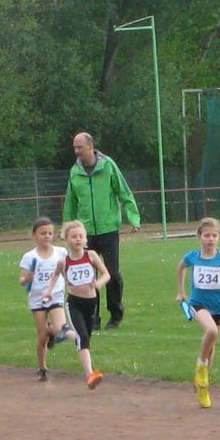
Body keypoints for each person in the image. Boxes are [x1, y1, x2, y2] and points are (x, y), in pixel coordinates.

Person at [64, 132, 140, 330]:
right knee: (87, 275)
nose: (76, 151)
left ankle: (115, 314)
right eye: (74, 147)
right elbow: (70, 201)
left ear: (90, 147)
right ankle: (92, 318)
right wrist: (68, 228)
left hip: (108, 229)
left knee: (112, 274)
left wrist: (134, 218)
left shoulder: (108, 165)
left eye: (79, 147)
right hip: (85, 232)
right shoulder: (75, 171)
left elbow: (123, 191)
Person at [176, 218, 220, 409]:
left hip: (217, 308)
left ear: (219, 237)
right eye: (207, 235)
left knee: (211, 347)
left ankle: (203, 386)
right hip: (197, 304)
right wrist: (181, 291)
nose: (210, 239)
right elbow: (181, 267)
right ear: (199, 237)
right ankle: (200, 366)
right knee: (211, 331)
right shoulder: (193, 257)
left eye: (214, 236)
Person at [44, 220, 111, 390]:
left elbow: (106, 274)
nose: (78, 239)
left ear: (86, 239)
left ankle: (62, 332)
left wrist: (98, 284)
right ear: (66, 240)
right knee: (82, 338)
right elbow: (55, 275)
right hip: (74, 304)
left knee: (85, 338)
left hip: (91, 302)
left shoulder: (91, 256)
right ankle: (90, 375)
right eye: (74, 237)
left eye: (81, 236)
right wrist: (49, 291)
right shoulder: (64, 261)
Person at [18, 217, 76, 382]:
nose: (47, 236)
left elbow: (68, 270)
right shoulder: (29, 256)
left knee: (60, 328)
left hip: (55, 295)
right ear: (34, 235)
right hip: (37, 299)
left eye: (50, 233)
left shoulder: (61, 252)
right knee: (42, 335)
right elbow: (21, 281)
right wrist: (27, 278)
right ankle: (42, 367)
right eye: (43, 233)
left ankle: (52, 331)